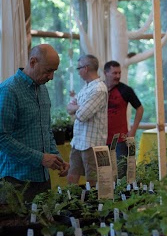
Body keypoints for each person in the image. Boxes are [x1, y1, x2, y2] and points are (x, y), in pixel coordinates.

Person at [0, 44, 69, 202]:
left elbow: (46, 130)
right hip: (15, 180)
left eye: (54, 71)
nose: (51, 77)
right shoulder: (8, 90)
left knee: (44, 225)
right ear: (32, 62)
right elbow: (2, 137)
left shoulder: (43, 90)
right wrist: (40, 158)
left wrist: (57, 159)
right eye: (48, 71)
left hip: (42, 178)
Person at [66, 54, 108, 185]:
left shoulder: (99, 89)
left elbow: (83, 115)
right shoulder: (86, 87)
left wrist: (76, 108)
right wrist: (78, 107)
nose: (78, 72)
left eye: (79, 68)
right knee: (72, 175)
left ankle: (92, 205)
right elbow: (68, 108)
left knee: (93, 181)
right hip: (78, 141)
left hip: (92, 144)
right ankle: (69, 203)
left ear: (86, 68)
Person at [104, 60, 144, 167]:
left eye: (119, 73)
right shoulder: (98, 89)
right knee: (103, 173)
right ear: (105, 73)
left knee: (122, 172)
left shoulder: (125, 90)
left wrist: (133, 131)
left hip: (120, 140)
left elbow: (140, 109)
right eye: (114, 73)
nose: (118, 76)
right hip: (101, 139)